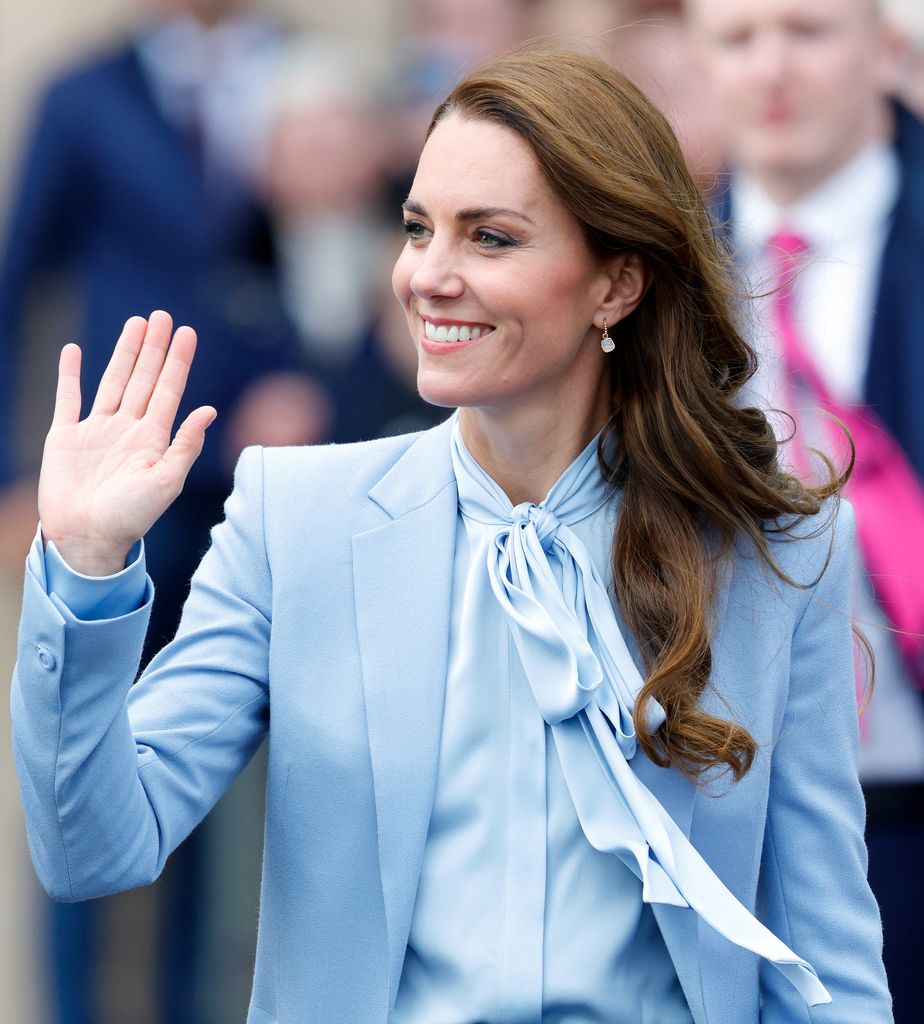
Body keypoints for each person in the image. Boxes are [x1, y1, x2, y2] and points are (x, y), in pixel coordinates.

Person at [11, 47, 891, 1023]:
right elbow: (92, 846)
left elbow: (826, 956)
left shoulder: (781, 552)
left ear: (616, 284)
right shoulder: (295, 518)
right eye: (418, 228)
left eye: (491, 238)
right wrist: (86, 571)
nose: (428, 276)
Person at [687, 2, 924, 1019]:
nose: (771, 68)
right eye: (737, 40)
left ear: (886, 48)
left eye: (808, 29)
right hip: (722, 806)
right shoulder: (662, 271)